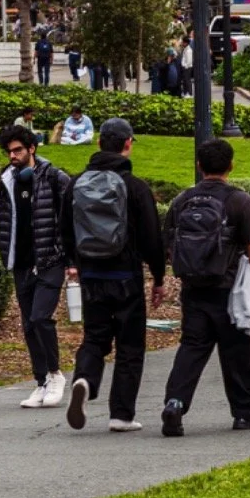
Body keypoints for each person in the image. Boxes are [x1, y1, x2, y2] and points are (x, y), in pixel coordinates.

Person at [61, 117, 167, 432]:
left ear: (98, 143)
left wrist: (75, 262)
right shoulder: (136, 187)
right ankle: (121, 414)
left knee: (94, 337)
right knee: (130, 346)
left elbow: (65, 229)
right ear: (128, 144)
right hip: (126, 276)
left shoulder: (75, 184)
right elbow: (152, 238)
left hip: (91, 275)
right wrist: (158, 277)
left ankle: (84, 379)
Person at [157, 139, 250, 437]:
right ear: (231, 165)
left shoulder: (182, 200)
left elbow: (169, 242)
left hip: (193, 288)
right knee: (236, 349)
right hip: (229, 288)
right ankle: (245, 413)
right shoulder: (239, 201)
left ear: (199, 165)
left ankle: (175, 402)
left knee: (192, 347)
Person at [0, 124, 74, 410]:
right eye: (9, 151)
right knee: (29, 325)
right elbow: (2, 218)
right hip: (21, 262)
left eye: (18, 150)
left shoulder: (54, 177)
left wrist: (69, 259)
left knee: (41, 318)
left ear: (32, 148)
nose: (12, 156)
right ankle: (41, 382)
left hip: (49, 260)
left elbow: (71, 218)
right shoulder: (7, 180)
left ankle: (55, 374)